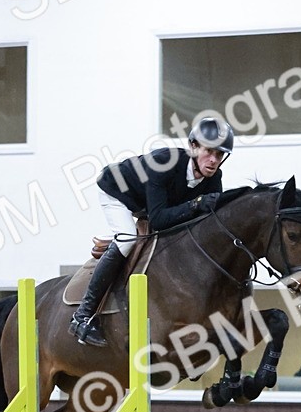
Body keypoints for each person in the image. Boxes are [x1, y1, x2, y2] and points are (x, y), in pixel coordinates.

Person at [69, 116, 236, 347]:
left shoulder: (214, 177)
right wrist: (196, 204)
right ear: (194, 146)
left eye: (220, 155)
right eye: (209, 151)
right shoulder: (164, 162)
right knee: (128, 240)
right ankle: (83, 316)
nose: (214, 160)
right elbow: (158, 220)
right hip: (118, 192)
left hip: (150, 204)